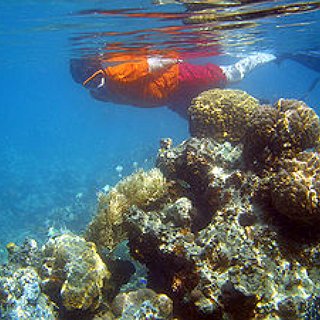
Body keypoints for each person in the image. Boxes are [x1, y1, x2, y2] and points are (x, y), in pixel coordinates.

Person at [70, 50, 276, 117]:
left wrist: (173, 60)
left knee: (229, 76)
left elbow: (152, 64)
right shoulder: (99, 94)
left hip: (177, 76)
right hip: (171, 97)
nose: (98, 85)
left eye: (97, 79)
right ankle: (261, 108)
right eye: (90, 84)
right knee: (201, 115)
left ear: (99, 68)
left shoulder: (116, 73)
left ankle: (268, 55)